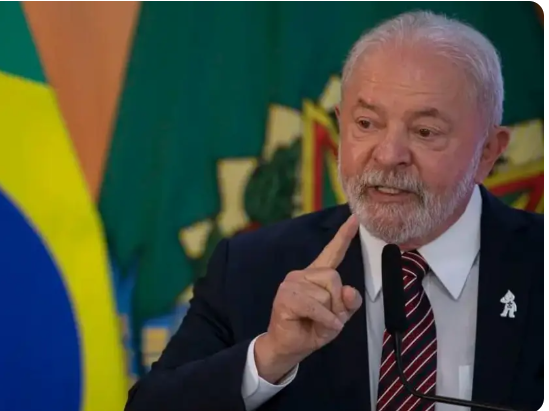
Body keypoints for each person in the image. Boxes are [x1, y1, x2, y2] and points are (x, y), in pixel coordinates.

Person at [124, 10, 543, 411]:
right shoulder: (251, 267)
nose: (388, 154)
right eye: (366, 124)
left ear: (488, 152)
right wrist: (269, 357)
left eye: (425, 131)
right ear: (341, 124)